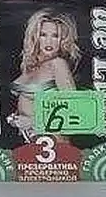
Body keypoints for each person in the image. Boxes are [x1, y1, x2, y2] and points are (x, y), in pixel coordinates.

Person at [8, 9, 81, 143]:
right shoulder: (30, 66)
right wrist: (17, 118)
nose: (49, 41)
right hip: (33, 143)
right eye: (43, 35)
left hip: (56, 145)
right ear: (35, 37)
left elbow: (75, 112)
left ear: (62, 39)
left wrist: (32, 122)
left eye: (55, 36)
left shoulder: (58, 64)